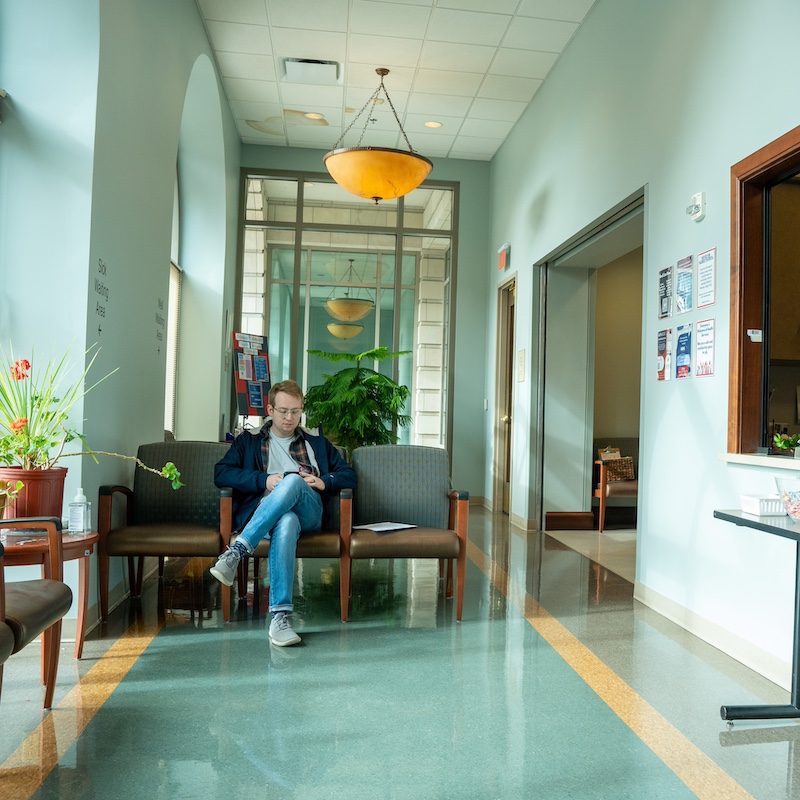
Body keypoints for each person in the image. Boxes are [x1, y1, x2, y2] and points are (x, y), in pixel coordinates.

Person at [211, 379, 356, 647]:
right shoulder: (249, 442)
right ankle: (280, 618)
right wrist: (262, 481)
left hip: (309, 512)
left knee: (293, 481)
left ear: (302, 410)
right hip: (264, 514)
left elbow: (349, 475)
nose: (290, 418)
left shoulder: (316, 443)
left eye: (296, 411)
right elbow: (221, 473)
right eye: (283, 411)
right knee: (285, 521)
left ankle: (237, 551)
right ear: (270, 409)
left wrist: (324, 482)